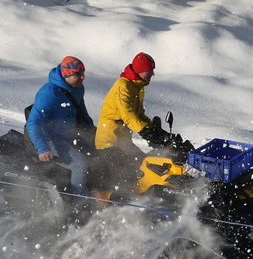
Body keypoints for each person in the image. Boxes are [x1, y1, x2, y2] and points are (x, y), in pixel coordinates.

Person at [93, 52, 172, 192]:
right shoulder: (123, 87)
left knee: (145, 166)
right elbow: (128, 116)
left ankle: (145, 198)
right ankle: (123, 204)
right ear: (141, 70)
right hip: (109, 143)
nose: (153, 74)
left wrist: (155, 130)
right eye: (150, 70)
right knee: (127, 175)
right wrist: (146, 132)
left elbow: (139, 115)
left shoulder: (137, 87)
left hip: (123, 142)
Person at [26, 56, 95, 197]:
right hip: (47, 138)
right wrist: (42, 148)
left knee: (95, 155)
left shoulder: (77, 88)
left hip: (66, 136)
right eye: (78, 74)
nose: (83, 78)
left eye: (83, 73)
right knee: (79, 164)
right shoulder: (49, 93)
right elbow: (33, 123)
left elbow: (82, 112)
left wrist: (93, 133)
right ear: (66, 74)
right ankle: (79, 200)